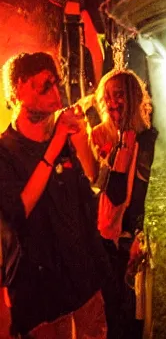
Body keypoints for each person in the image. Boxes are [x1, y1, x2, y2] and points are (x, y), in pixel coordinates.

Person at [0, 52, 108, 338]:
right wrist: (58, 141)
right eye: (45, 85)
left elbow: (91, 183)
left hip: (83, 282)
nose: (55, 93)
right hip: (40, 297)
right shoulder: (5, 152)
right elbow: (17, 213)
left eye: (56, 84)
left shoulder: (60, 138)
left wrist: (79, 140)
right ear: (19, 88)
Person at [90, 68, 158, 339]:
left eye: (118, 95)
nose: (111, 102)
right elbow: (94, 187)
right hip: (100, 231)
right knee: (105, 304)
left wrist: (134, 236)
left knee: (127, 304)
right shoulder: (96, 134)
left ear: (133, 97)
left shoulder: (144, 139)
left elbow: (129, 194)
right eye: (107, 96)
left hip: (125, 234)